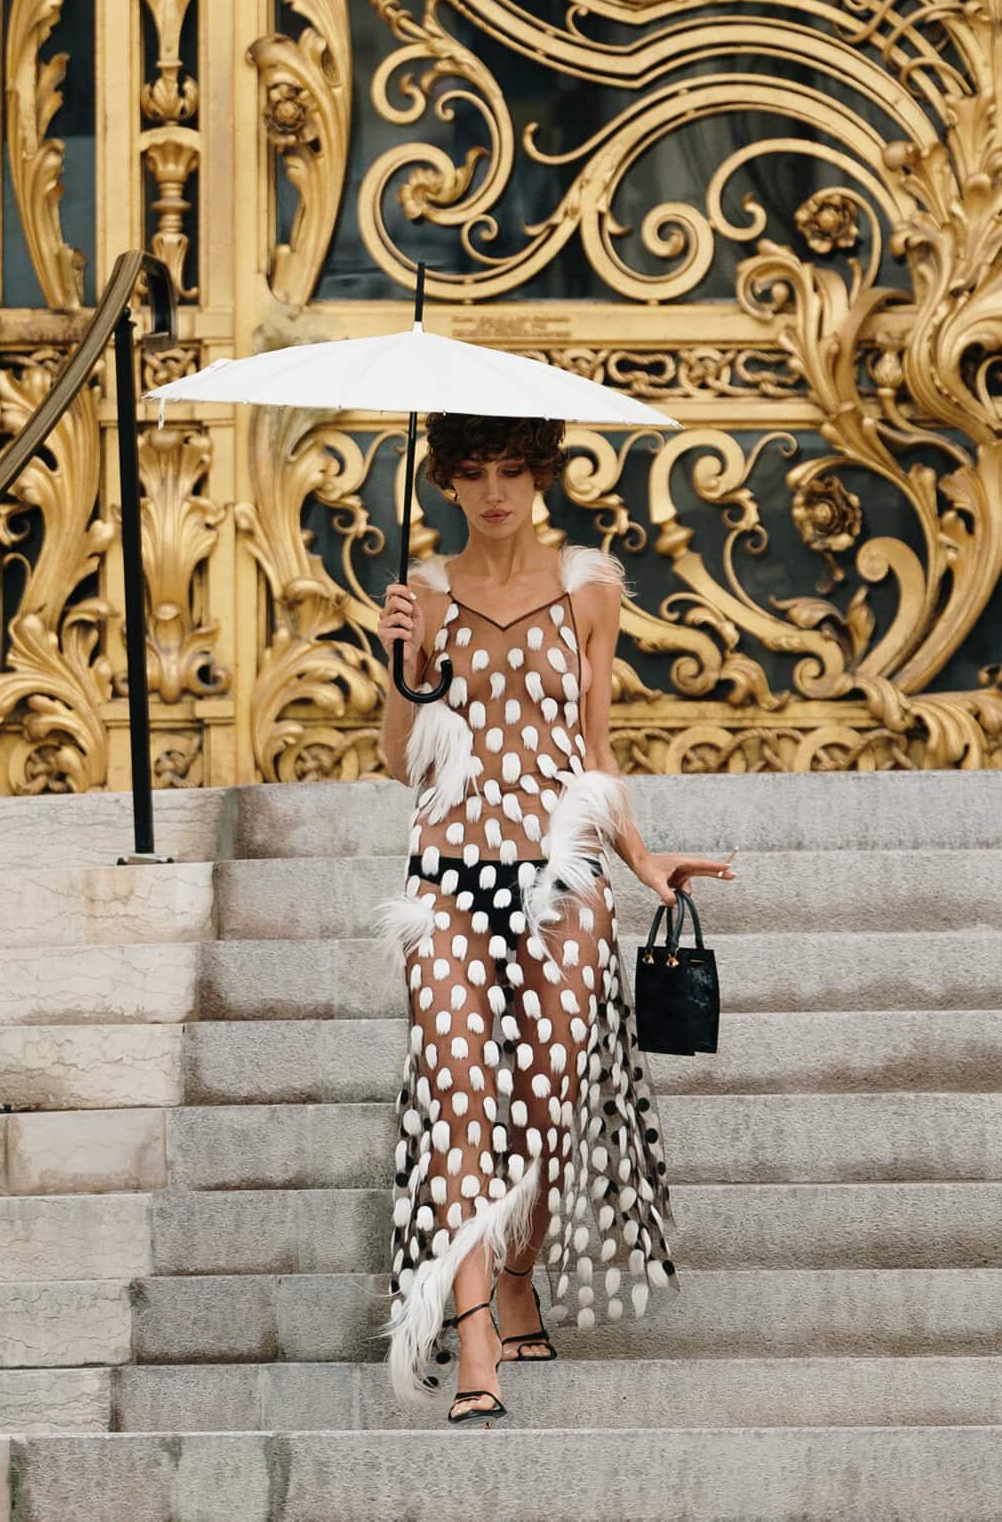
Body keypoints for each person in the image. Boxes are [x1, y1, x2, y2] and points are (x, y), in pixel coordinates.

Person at [374, 411, 736, 1422]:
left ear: (538, 477)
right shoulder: (426, 594)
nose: (495, 491)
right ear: (447, 480)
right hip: (446, 874)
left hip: (561, 877)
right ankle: (476, 1333)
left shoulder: (589, 588)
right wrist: (401, 664)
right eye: (475, 472)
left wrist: (639, 853)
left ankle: (518, 1271)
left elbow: (594, 747)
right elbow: (394, 759)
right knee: (455, 1093)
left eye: (513, 470)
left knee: (543, 1105)